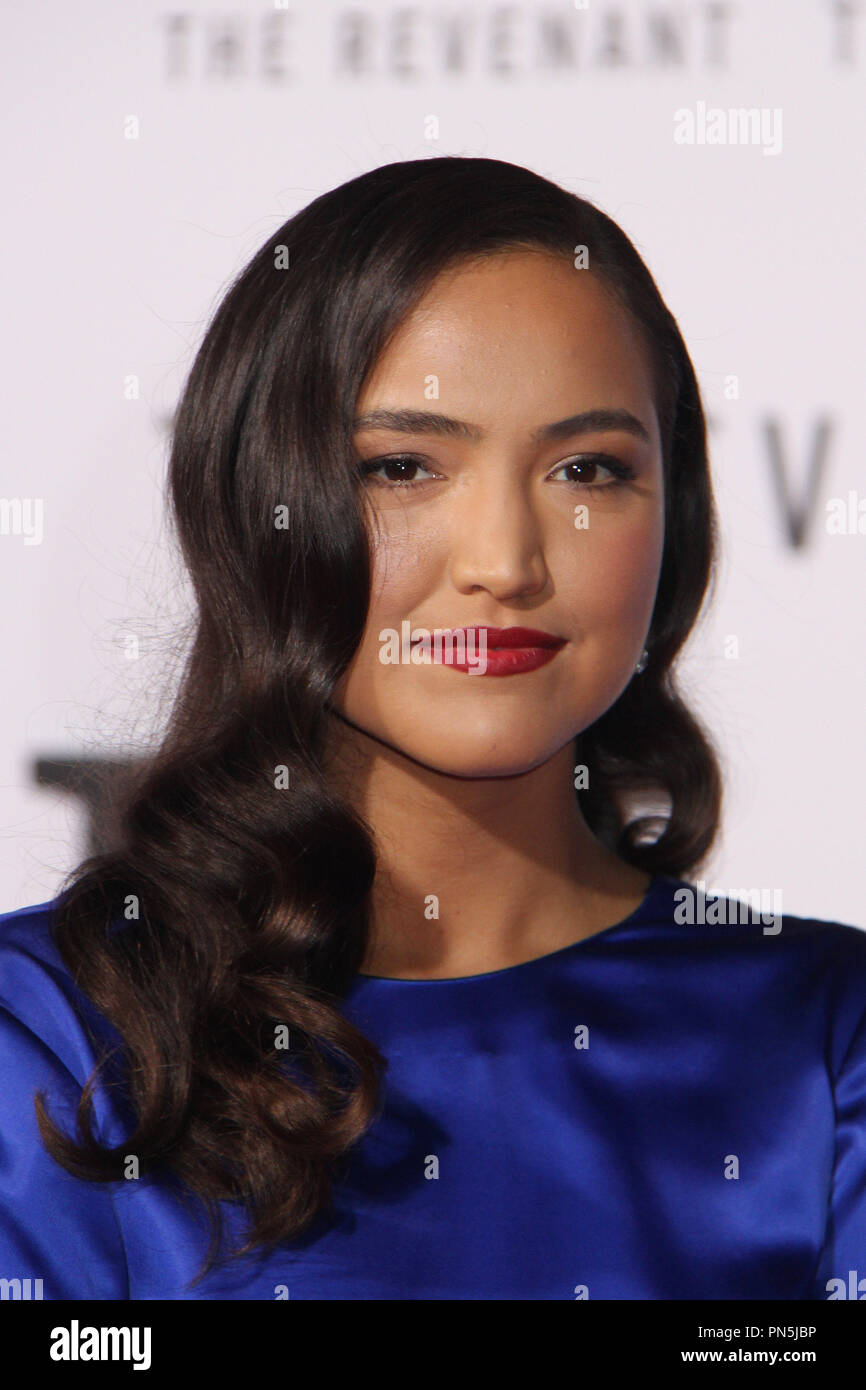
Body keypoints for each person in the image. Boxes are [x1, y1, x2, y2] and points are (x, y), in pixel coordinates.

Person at [0, 157, 864, 1301]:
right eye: (403, 467)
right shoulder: (59, 1037)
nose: (502, 561)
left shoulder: (826, 1042)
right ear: (259, 501)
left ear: (678, 518)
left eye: (586, 469)